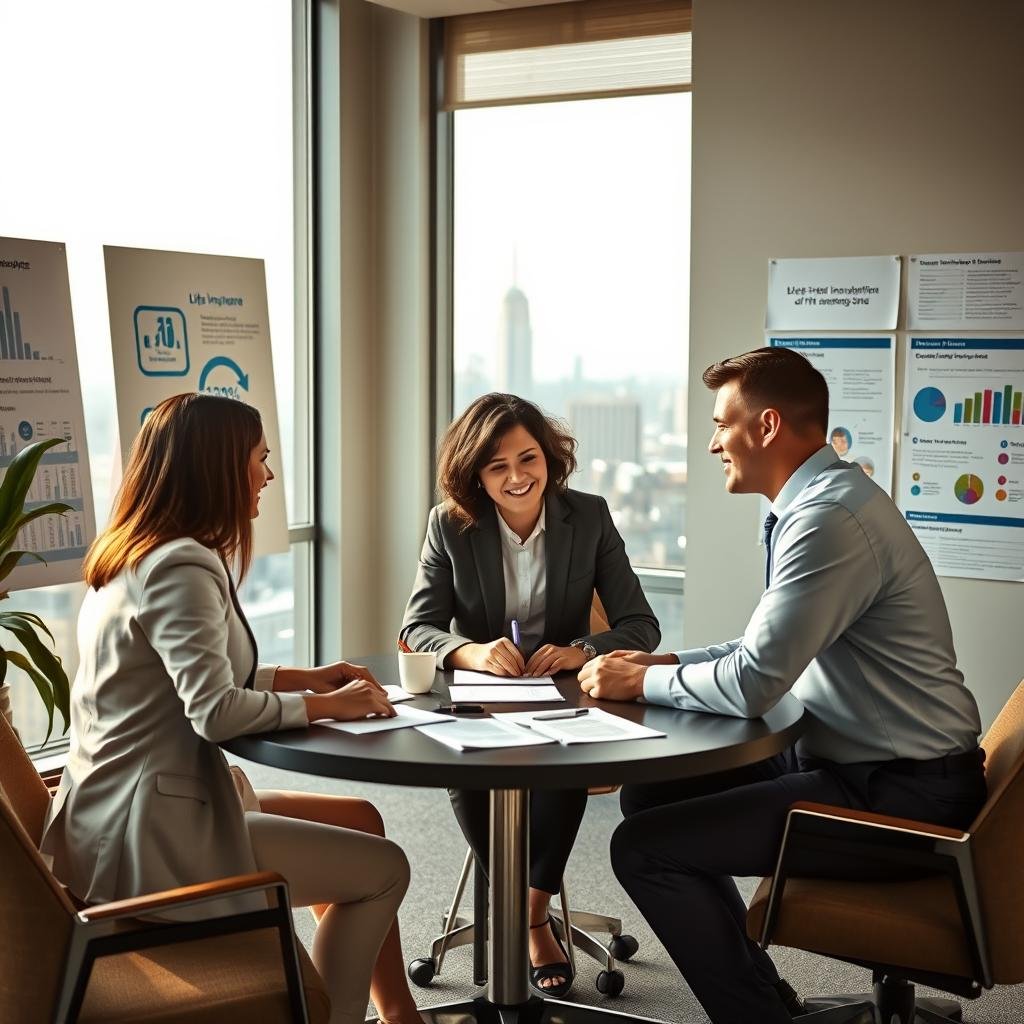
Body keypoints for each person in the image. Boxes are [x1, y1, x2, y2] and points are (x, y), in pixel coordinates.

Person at [577, 347, 985, 1024]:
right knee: (652, 794)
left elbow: (752, 686)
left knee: (642, 850)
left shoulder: (829, 521)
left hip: (900, 792)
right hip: (860, 759)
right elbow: (757, 648)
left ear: (766, 427)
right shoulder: (825, 501)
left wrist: (643, 682)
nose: (711, 444)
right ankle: (768, 1001)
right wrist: (656, 665)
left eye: (720, 424)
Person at [40, 393, 423, 1024]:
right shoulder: (181, 565)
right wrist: (328, 706)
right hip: (154, 834)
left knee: (361, 819)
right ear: (218, 465)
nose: (268, 475)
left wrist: (308, 678)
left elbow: (186, 680)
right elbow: (214, 711)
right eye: (260, 459)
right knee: (386, 869)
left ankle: (400, 1013)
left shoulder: (140, 552)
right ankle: (332, 1017)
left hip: (125, 808)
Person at [401, 392, 659, 996]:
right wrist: (471, 651)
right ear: (475, 476)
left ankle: (527, 914)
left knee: (561, 768)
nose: (517, 477)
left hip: (564, 698)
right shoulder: (451, 525)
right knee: (463, 766)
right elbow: (417, 626)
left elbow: (641, 625)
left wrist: (582, 651)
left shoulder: (588, 516)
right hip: (481, 696)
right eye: (497, 467)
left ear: (550, 458)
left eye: (529, 458)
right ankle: (531, 916)